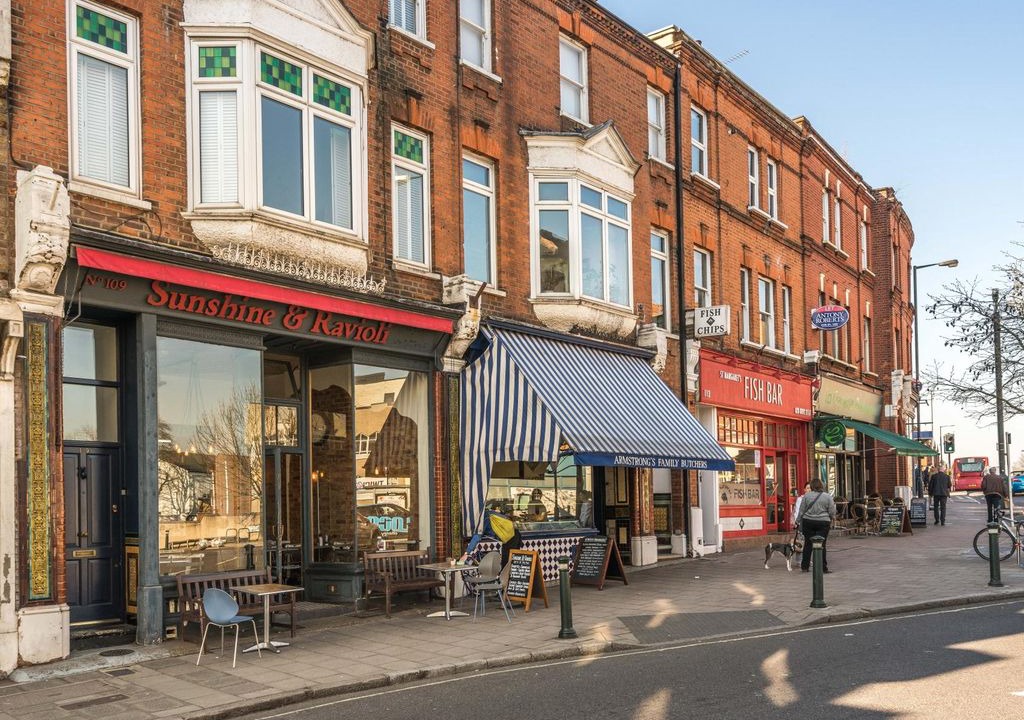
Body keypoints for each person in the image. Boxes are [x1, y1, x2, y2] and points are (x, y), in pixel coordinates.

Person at [795, 478, 836, 573]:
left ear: (812, 486)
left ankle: (805, 567)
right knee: (822, 544)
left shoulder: (806, 496)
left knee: (808, 544)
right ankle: (823, 567)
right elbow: (832, 511)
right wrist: (831, 518)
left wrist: (797, 521)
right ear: (821, 486)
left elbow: (801, 510)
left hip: (808, 522)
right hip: (823, 522)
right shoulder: (827, 497)